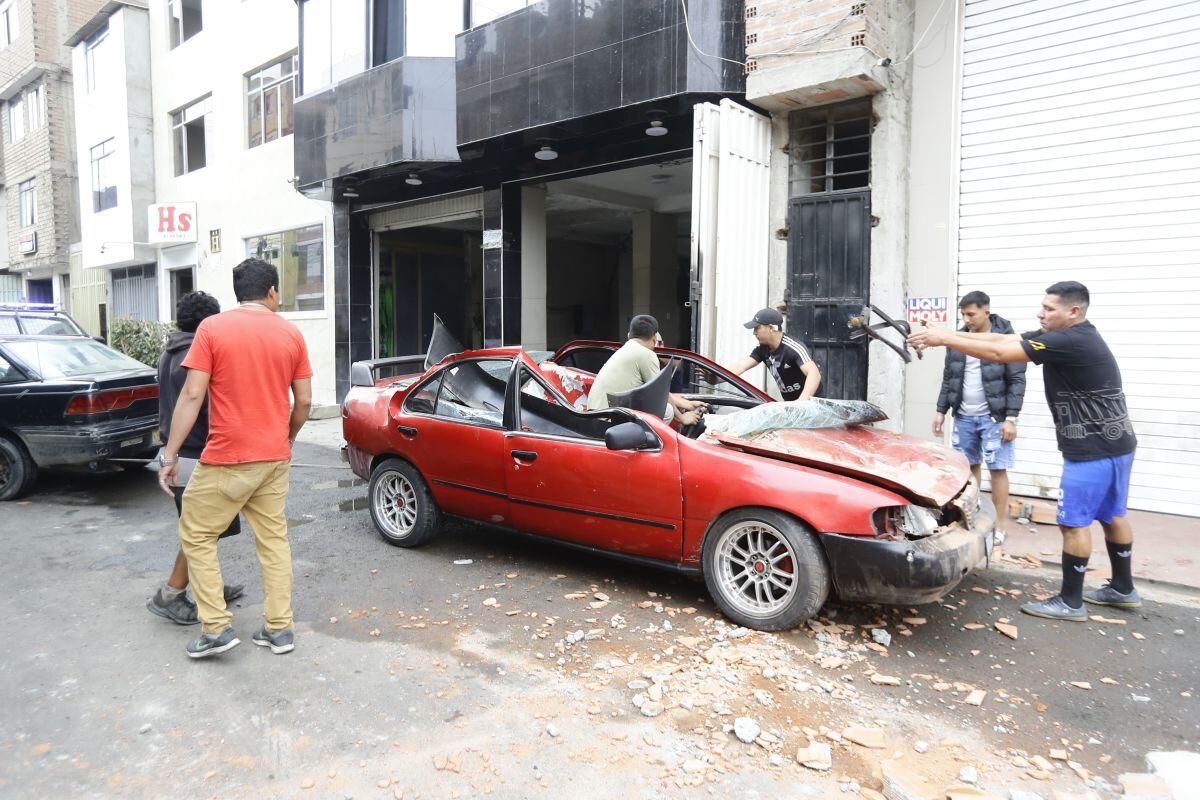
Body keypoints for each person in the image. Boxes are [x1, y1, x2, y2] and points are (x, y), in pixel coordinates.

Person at [909, 281, 1138, 622]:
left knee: (1073, 525)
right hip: (1117, 443)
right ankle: (1122, 589)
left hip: (1090, 449)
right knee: (1112, 515)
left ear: (1073, 312)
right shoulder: (1075, 336)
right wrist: (947, 333)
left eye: (1048, 308)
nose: (1040, 313)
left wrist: (943, 339)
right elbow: (1001, 340)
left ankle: (1071, 602)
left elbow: (1002, 354)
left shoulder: (1068, 341)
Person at [158, 258, 313, 658]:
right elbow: (305, 401)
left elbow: (192, 395)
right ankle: (279, 630)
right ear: (273, 291)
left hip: (227, 456)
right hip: (273, 457)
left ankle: (216, 629)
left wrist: (170, 455)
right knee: (274, 542)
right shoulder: (291, 333)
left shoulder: (213, 329)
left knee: (195, 533)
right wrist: (288, 437)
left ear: (237, 293)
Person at [147, 291, 244, 625]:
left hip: (183, 454)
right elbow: (198, 401)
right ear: (208, 323)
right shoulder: (196, 354)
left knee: (206, 529)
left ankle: (209, 586)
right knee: (201, 531)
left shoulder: (170, 352)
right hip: (195, 455)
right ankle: (170, 596)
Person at [933, 291, 1026, 546]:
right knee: (969, 469)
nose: (967, 319)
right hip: (964, 416)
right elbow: (948, 378)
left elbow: (1017, 379)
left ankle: (998, 527)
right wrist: (941, 410)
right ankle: (971, 518)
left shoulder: (1006, 339)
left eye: (971, 314)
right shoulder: (959, 338)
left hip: (994, 418)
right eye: (963, 314)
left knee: (997, 469)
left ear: (987, 311)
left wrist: (1011, 418)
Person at [587, 315, 702, 427]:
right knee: (667, 411)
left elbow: (660, 390)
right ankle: (642, 445)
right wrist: (683, 418)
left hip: (596, 417)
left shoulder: (625, 350)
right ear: (654, 339)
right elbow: (660, 395)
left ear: (629, 336)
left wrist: (687, 404)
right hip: (608, 422)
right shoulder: (646, 354)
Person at [727, 308, 821, 401]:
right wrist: (715, 377)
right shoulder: (762, 349)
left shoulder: (792, 347)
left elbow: (814, 374)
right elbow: (740, 366)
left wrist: (801, 402)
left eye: (757, 328)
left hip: (812, 405)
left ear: (770, 328)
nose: (754, 333)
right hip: (790, 406)